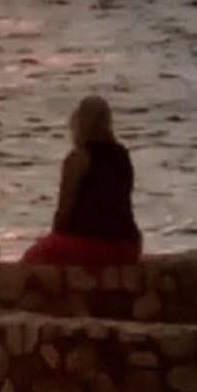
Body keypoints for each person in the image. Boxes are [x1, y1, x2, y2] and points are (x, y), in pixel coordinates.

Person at [23, 95, 142, 266]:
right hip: (128, 245)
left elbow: (63, 211)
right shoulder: (122, 155)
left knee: (33, 257)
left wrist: (55, 239)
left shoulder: (78, 159)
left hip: (94, 245)